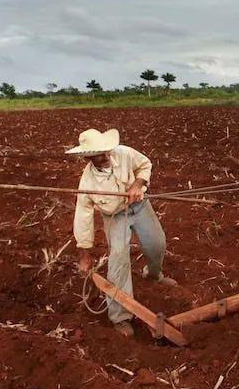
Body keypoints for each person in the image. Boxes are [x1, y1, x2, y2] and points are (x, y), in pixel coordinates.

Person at [66, 128, 176, 337]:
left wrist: (137, 183)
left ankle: (153, 275)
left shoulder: (123, 152)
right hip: (115, 216)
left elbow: (145, 164)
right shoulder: (87, 184)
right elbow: (83, 217)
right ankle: (120, 318)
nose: (106, 156)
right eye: (99, 155)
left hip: (140, 207)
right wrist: (84, 253)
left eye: (106, 151)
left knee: (156, 244)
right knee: (118, 259)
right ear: (87, 158)